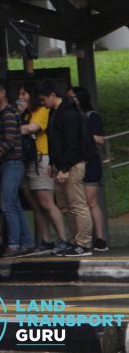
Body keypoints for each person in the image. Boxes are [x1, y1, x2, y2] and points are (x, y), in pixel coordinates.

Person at [40, 79, 94, 256]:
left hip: (71, 164)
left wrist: (64, 168)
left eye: (43, 99)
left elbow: (71, 143)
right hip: (62, 164)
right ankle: (75, 240)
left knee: (77, 204)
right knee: (65, 205)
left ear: (52, 95)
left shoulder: (68, 113)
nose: (42, 102)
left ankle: (84, 242)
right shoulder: (56, 112)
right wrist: (53, 164)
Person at [17, 83, 68, 253]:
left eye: (24, 93)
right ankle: (45, 240)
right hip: (26, 160)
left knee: (46, 201)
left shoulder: (42, 111)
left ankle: (62, 238)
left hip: (40, 157)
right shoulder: (25, 113)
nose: (21, 97)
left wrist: (10, 129)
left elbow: (32, 128)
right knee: (35, 203)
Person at [0, 79, 33, 256]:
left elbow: (9, 140)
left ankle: (14, 244)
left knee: (7, 203)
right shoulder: (3, 113)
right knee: (15, 204)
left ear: (2, 93)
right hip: (10, 162)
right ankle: (26, 241)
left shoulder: (8, 114)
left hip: (12, 162)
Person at [69, 86, 109, 252]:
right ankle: (84, 237)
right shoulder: (73, 116)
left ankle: (100, 238)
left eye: (73, 98)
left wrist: (82, 133)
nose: (71, 101)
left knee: (90, 201)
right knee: (80, 202)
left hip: (91, 162)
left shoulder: (91, 116)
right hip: (78, 161)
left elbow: (100, 139)